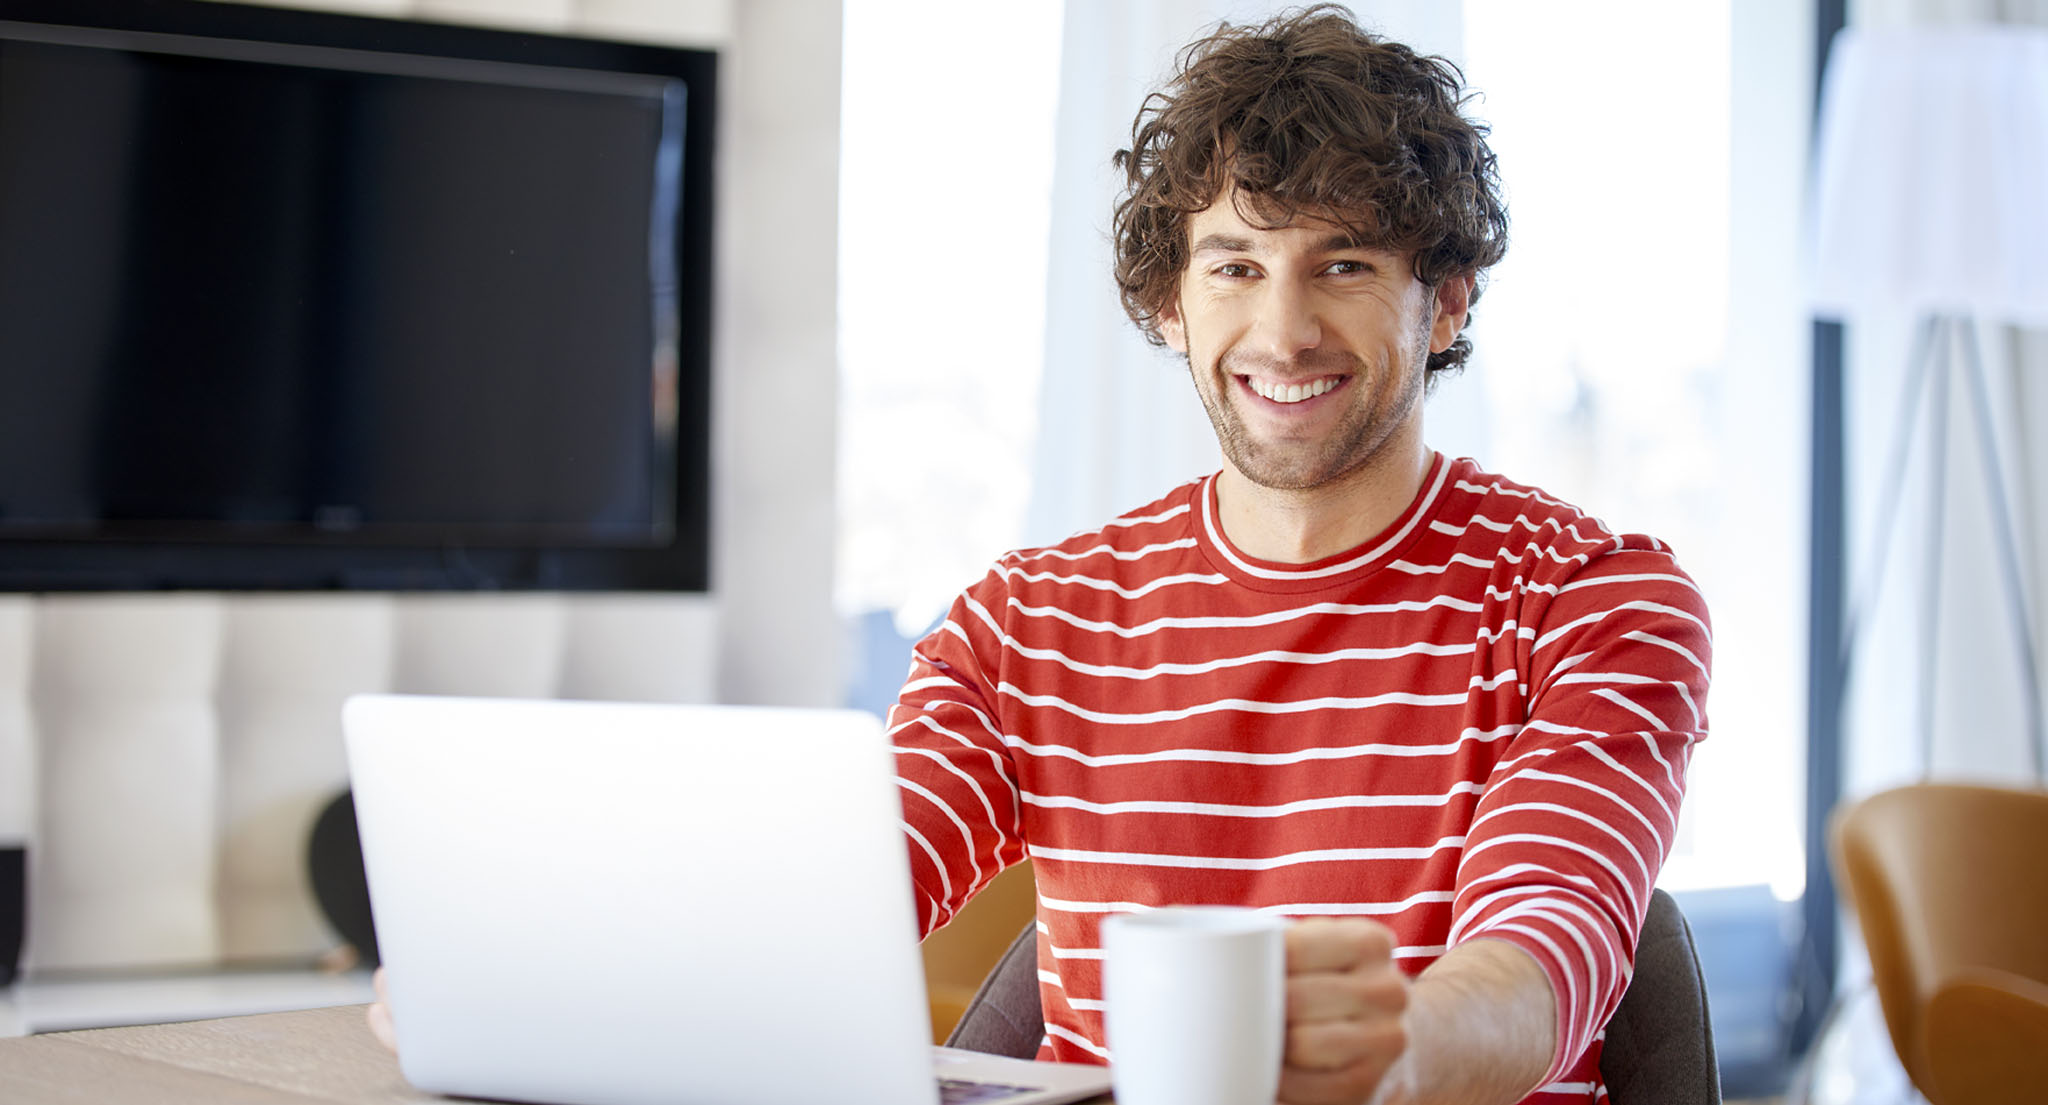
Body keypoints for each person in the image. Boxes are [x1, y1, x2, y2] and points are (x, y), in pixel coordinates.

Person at [887, 7, 1709, 1105]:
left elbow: (1538, 966)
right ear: (1167, 300)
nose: (1282, 334)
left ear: (1447, 299)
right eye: (1233, 266)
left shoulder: (1591, 605)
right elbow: (836, 907)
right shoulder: (1024, 624)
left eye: (1344, 264)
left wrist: (1386, 1052)